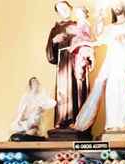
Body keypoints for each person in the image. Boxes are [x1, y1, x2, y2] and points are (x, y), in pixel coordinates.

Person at [73, 0, 125, 134]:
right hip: (113, 65)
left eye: (118, 4)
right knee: (112, 92)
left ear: (124, 6)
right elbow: (99, 38)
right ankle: (114, 123)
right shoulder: (110, 27)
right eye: (114, 6)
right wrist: (100, 19)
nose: (116, 8)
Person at [46, 1, 82, 129]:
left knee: (76, 90)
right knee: (63, 90)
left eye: (65, 7)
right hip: (62, 63)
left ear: (70, 8)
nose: (63, 10)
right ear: (58, 12)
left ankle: (76, 120)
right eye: (60, 9)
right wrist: (54, 41)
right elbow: (50, 53)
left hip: (76, 61)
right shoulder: (55, 29)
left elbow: (87, 41)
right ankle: (62, 120)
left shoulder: (79, 25)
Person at [69, 5, 95, 108]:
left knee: (80, 75)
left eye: (79, 12)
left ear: (84, 13)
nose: (77, 14)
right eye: (77, 12)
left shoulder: (84, 23)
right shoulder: (80, 23)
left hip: (83, 50)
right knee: (78, 75)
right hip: (79, 50)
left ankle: (83, 106)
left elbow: (86, 38)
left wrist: (75, 39)